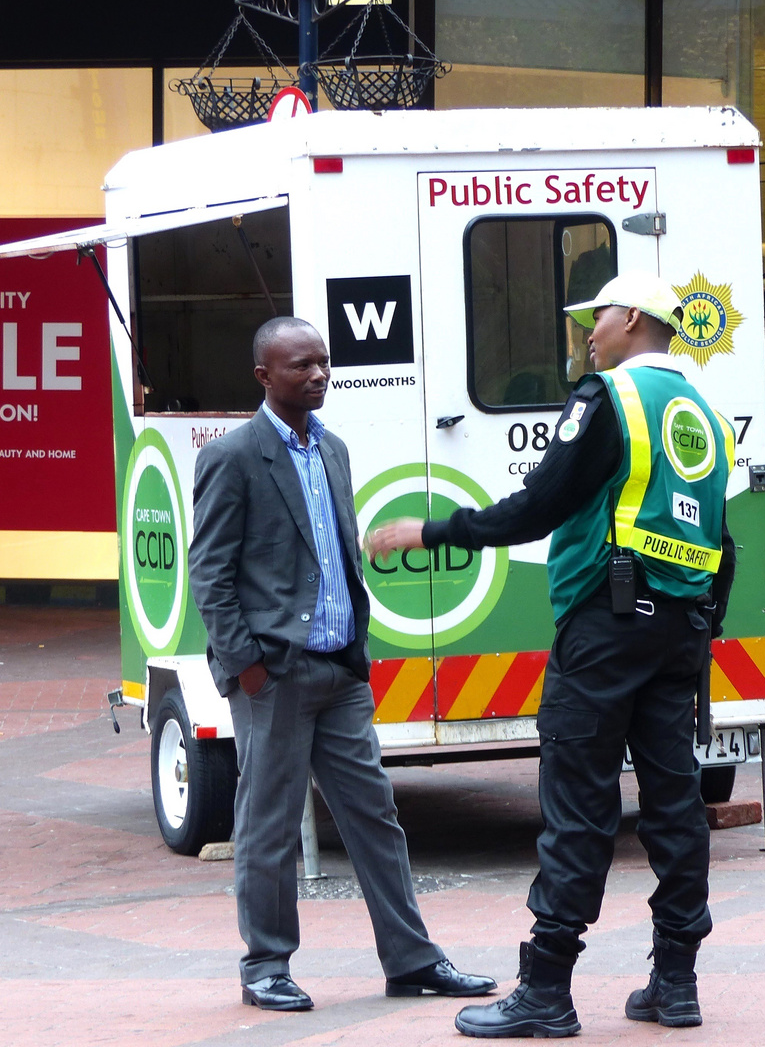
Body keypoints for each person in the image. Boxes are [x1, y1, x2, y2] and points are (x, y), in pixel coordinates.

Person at [367, 272, 736, 1036]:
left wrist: (436, 531)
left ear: (632, 317)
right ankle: (676, 982)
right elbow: (720, 543)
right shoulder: (703, 409)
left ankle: (546, 990)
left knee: (577, 805)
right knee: (675, 806)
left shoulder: (610, 399)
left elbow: (539, 506)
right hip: (682, 630)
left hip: (606, 627)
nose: (589, 333)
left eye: (597, 318)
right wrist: (697, 625)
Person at [187, 316, 496, 1013]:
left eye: (323, 363)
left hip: (340, 671)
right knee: (267, 826)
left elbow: (336, 552)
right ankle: (265, 965)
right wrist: (248, 667)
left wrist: (357, 647)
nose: (318, 375)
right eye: (300, 366)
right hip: (275, 674)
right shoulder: (234, 456)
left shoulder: (335, 450)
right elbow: (210, 574)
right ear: (264, 376)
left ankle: (412, 959)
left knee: (375, 817)